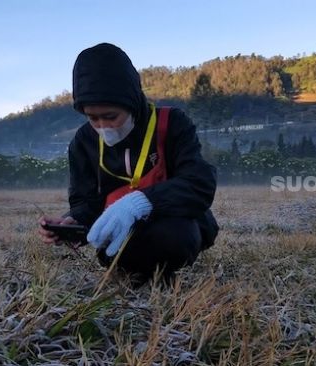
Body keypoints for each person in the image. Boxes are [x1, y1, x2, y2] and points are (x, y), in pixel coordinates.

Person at [38, 43, 218, 284]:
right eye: (93, 118)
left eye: (111, 116)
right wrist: (73, 222)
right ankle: (136, 270)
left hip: (173, 222)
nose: (103, 126)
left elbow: (199, 183)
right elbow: (85, 200)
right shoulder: (83, 142)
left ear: (132, 102)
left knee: (178, 237)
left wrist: (140, 203)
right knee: (110, 247)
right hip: (119, 235)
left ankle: (159, 270)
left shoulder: (171, 123)